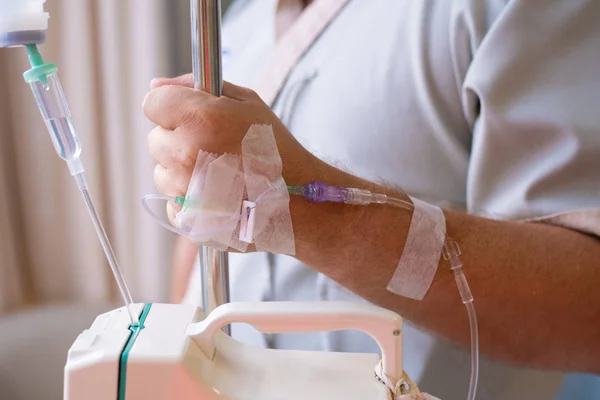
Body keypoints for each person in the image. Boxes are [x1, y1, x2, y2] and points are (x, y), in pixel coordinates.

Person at [144, 0, 600, 398]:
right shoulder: (246, 20)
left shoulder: (499, 10)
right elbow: (205, 224)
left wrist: (305, 214)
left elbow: (588, 307)